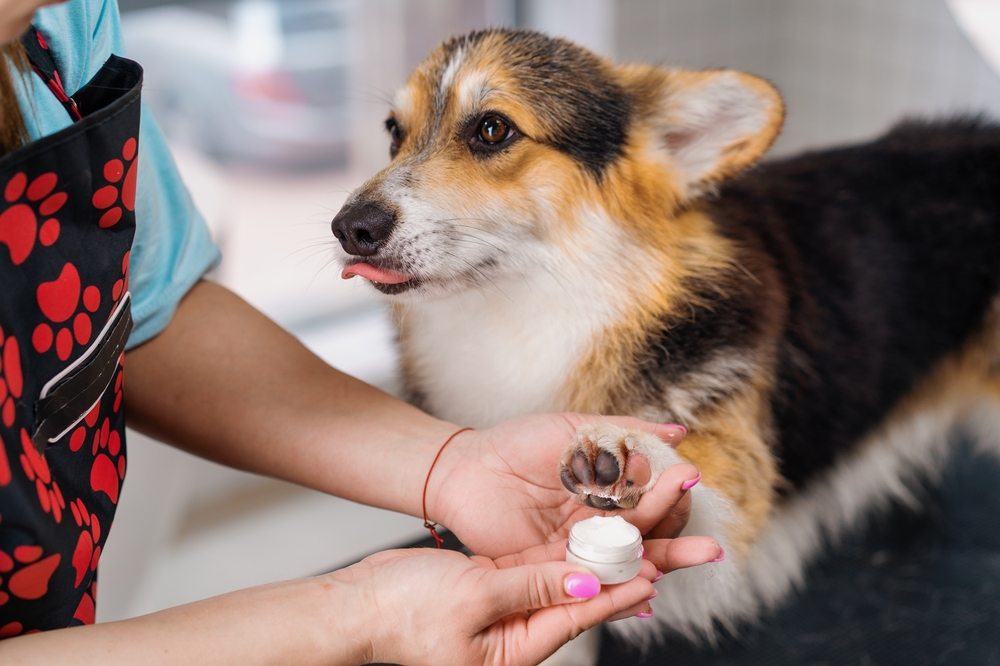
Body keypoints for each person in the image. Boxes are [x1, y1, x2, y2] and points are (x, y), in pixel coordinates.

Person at [0, 0, 721, 663]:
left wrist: (453, 467)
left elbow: (139, 308)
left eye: (490, 131)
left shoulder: (62, 22)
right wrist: (361, 614)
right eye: (399, 132)